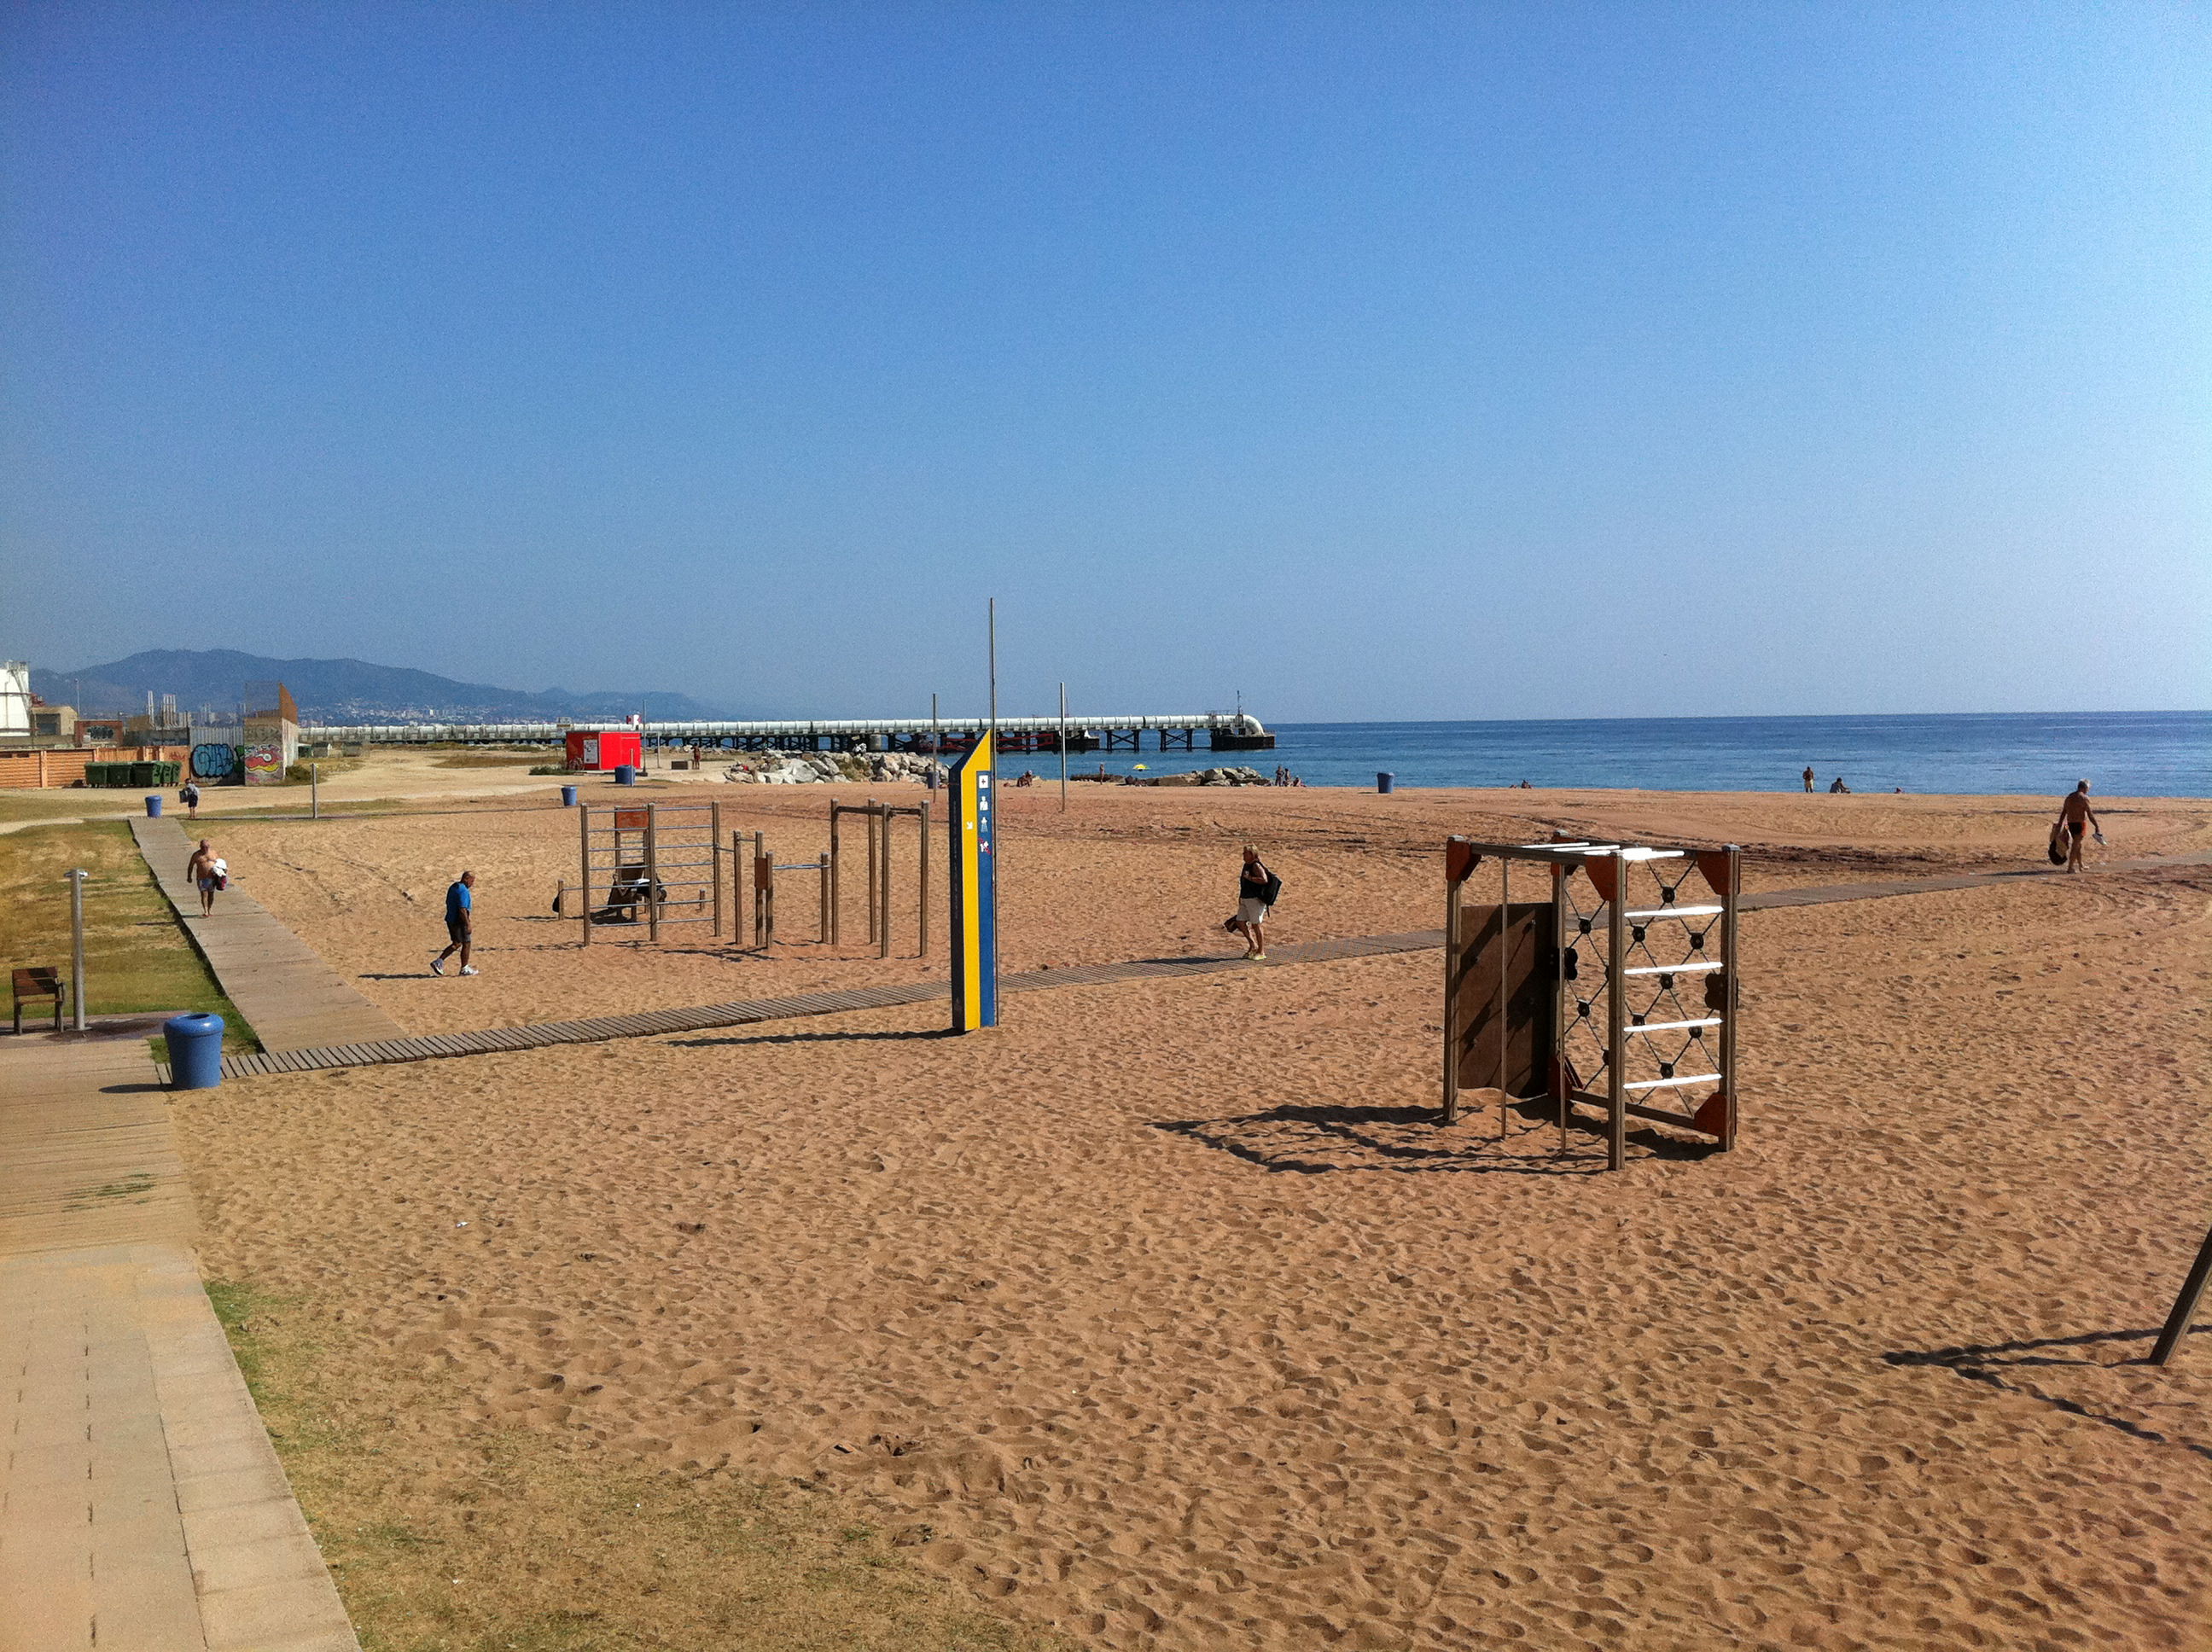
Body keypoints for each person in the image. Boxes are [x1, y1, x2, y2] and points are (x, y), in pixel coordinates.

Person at [1231, 845, 1280, 960]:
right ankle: (1253, 945)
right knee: (1240, 922)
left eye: (1245, 853)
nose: (1243, 855)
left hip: (1254, 900)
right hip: (1246, 898)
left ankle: (1261, 951)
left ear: (1252, 855)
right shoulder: (1247, 865)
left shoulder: (1256, 866)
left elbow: (1264, 879)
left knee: (1256, 925)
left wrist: (1250, 878)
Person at [433, 870, 479, 975]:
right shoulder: (463, 891)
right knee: (466, 943)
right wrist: (468, 924)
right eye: (472, 881)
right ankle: (464, 968)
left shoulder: (454, 887)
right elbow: (462, 909)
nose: (472, 884)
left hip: (451, 919)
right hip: (459, 921)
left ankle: (439, 961)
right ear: (466, 878)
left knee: (457, 943)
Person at [2057, 780, 2103, 874]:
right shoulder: (2084, 798)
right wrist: (2097, 826)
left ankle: (2081, 864)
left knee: (2078, 845)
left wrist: (2060, 823)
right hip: (2080, 824)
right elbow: (2090, 814)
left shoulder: (2069, 797)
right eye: (2088, 788)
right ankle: (2070, 867)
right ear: (2084, 788)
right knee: (2075, 845)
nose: (2088, 790)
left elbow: (2064, 812)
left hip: (2070, 823)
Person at [185, 839, 221, 916]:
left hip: (212, 877)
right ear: (200, 847)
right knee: (204, 894)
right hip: (202, 877)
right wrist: (189, 876)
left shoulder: (213, 853)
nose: (204, 849)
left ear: (209, 846)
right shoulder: (196, 855)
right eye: (203, 847)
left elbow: (220, 863)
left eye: (206, 847)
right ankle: (205, 911)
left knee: (211, 894)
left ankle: (209, 910)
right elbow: (191, 866)